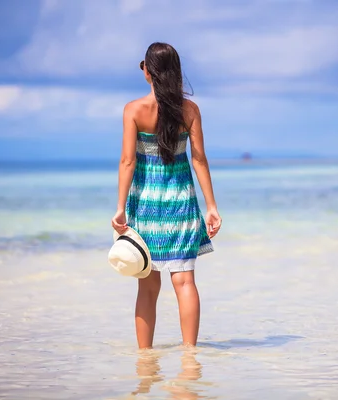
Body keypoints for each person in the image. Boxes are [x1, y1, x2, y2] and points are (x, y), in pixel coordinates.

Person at [111, 42, 222, 349]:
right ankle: (190, 357)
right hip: (182, 204)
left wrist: (120, 207)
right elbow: (199, 159)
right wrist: (211, 206)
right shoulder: (190, 110)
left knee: (147, 286)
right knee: (185, 281)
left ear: (148, 72)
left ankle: (145, 359)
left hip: (146, 206)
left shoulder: (134, 110)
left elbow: (128, 161)